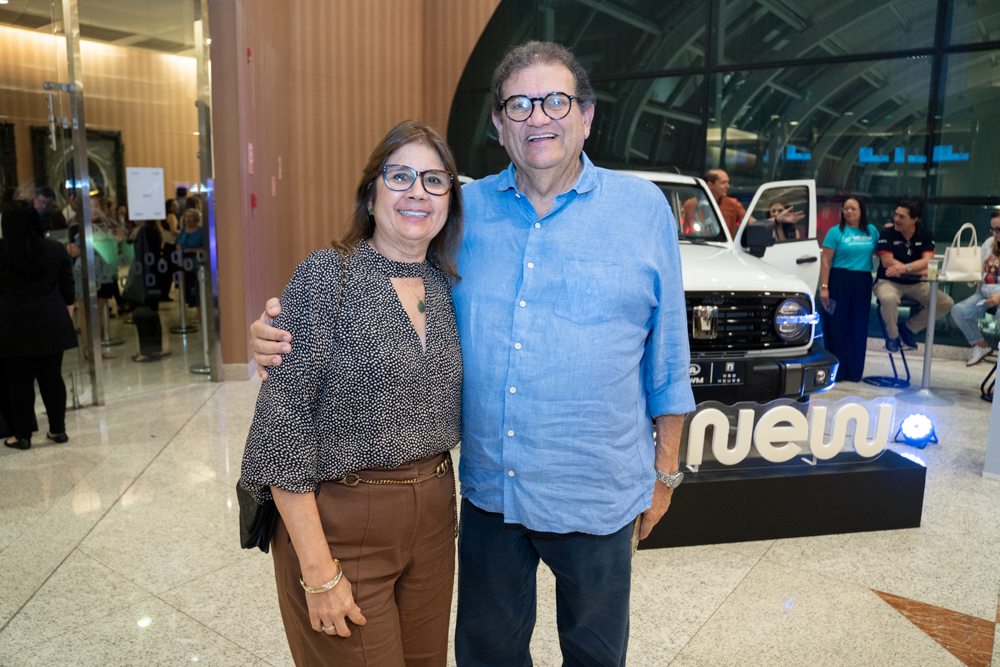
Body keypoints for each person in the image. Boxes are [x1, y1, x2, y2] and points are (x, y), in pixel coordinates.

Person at [251, 41, 695, 666]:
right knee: (488, 657)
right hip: (492, 498)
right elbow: (374, 286)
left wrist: (665, 472)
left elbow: (668, 356)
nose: (538, 117)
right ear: (498, 125)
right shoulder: (464, 211)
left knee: (596, 658)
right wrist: (276, 332)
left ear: (587, 116)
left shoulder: (642, 209)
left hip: (598, 493)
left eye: (556, 101)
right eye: (519, 105)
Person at [240, 120, 463, 667]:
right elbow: (281, 428)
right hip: (342, 523)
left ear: (450, 201)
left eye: (434, 180)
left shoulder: (447, 286)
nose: (417, 192)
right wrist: (318, 571)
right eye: (400, 176)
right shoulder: (327, 276)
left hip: (435, 521)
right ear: (370, 194)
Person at [0, 201, 76, 449]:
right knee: (52, 378)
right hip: (51, 321)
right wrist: (66, 316)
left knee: (18, 383)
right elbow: (68, 288)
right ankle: (58, 430)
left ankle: (22, 436)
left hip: (10, 324)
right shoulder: (55, 249)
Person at [873, 199, 954, 352]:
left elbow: (927, 261)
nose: (896, 219)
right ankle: (892, 336)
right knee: (889, 298)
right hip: (888, 281)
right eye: (896, 215)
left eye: (901, 217)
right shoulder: (887, 233)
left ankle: (908, 328)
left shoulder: (925, 235)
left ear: (915, 219)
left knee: (946, 303)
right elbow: (887, 262)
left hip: (916, 283)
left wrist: (905, 268)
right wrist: (919, 270)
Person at [819, 197, 879, 381]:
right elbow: (826, 261)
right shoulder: (835, 232)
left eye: (853, 208)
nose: (848, 212)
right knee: (837, 325)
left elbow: (881, 251)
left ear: (861, 211)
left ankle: (854, 371)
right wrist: (824, 287)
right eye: (846, 208)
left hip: (862, 281)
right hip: (839, 280)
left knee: (858, 325)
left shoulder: (872, 231)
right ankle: (837, 371)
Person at [950, 209, 1000, 366]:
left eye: (999, 229)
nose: (995, 233)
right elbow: (978, 271)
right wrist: (964, 273)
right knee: (959, 310)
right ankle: (981, 346)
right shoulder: (988, 244)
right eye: (992, 229)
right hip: (984, 293)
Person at [124, 219, 170, 362]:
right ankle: (154, 349)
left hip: (142, 279)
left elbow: (139, 257)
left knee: (142, 316)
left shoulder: (144, 232)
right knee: (152, 315)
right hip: (152, 278)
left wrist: (123, 240)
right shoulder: (154, 231)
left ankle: (145, 351)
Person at [176, 209, 204, 320]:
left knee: (198, 289)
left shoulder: (200, 231)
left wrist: (193, 250)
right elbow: (179, 243)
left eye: (190, 216)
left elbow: (205, 247)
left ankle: (200, 312)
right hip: (185, 264)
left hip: (197, 264)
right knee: (189, 289)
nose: (187, 219)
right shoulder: (183, 231)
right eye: (186, 216)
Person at [704, 169, 745, 238]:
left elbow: (749, 222)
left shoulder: (733, 204)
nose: (728, 186)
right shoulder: (691, 205)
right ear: (710, 185)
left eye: (727, 182)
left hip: (726, 244)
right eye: (723, 183)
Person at [159, 199, 181, 301]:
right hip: (171, 245)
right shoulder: (171, 216)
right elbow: (173, 231)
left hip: (167, 245)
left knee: (167, 270)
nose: (177, 206)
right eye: (174, 205)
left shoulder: (166, 216)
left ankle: (164, 293)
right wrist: (183, 232)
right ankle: (165, 293)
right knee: (171, 270)